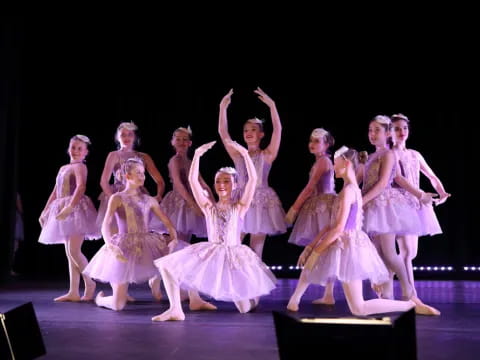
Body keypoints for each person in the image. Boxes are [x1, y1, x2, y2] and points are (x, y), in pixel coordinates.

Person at [287, 147, 439, 316]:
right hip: (341, 243)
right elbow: (331, 226)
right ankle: (295, 299)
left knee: (359, 308)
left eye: (335, 164)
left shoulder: (349, 192)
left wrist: (316, 251)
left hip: (349, 248)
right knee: (313, 266)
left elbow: (338, 228)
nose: (333, 168)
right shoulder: (347, 191)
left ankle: (409, 305)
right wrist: (311, 247)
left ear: (345, 163)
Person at [152, 140, 276, 321]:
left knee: (244, 309)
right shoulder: (208, 206)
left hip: (233, 256)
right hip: (211, 252)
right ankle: (175, 309)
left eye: (226, 181)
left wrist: (244, 154)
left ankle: (251, 300)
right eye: (218, 181)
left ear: (235, 184)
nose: (222, 184)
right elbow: (192, 180)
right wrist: (197, 155)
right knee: (166, 266)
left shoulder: (240, 206)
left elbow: (254, 179)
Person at [83, 158, 176, 311]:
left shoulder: (149, 200)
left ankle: (157, 282)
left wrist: (174, 238)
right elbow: (106, 224)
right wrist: (110, 245)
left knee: (172, 258)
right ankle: (102, 300)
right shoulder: (117, 198)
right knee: (118, 305)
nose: (143, 176)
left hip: (147, 242)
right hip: (124, 245)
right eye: (138, 173)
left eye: (143, 173)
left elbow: (168, 223)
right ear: (128, 176)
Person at [218, 87, 287, 259]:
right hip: (240, 200)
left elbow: (278, 130)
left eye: (253, 130)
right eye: (246, 130)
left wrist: (272, 106)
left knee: (256, 252)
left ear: (262, 134)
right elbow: (223, 134)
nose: (248, 133)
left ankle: (255, 284)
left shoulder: (267, 155)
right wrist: (222, 108)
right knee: (232, 245)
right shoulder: (238, 154)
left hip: (260, 203)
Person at [391, 113, 451, 297]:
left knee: (411, 254)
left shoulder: (415, 154)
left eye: (405, 128)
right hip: (399, 203)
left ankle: (385, 275)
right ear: (389, 133)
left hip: (416, 205)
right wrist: (420, 194)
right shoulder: (391, 154)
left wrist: (441, 191)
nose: (402, 132)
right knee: (407, 252)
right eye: (397, 129)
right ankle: (410, 295)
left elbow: (431, 175)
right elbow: (398, 179)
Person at [39, 135, 100, 302]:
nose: (75, 151)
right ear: (68, 148)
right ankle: (73, 291)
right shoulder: (63, 167)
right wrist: (45, 210)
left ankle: (90, 281)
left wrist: (70, 207)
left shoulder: (80, 167)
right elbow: (55, 191)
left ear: (85, 152)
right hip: (62, 207)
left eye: (80, 148)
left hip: (76, 209)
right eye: (73, 147)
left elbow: (81, 187)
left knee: (74, 250)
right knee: (69, 252)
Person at [285, 128, 337, 304]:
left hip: (323, 206)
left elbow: (309, 188)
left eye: (317, 141)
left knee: (316, 250)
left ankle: (296, 297)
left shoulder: (323, 161)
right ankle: (328, 294)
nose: (312, 144)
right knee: (323, 250)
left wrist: (294, 209)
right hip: (319, 205)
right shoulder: (320, 161)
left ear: (326, 144)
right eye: (311, 141)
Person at [97, 121, 165, 231]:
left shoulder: (144, 157)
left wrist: (158, 196)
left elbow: (160, 181)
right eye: (123, 135)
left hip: (138, 197)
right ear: (118, 138)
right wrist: (112, 199)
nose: (126, 137)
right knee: (117, 235)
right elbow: (103, 181)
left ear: (135, 137)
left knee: (138, 233)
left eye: (130, 134)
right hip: (118, 195)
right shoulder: (114, 155)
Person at [150, 126, 215, 243]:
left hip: (191, 200)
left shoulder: (191, 162)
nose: (181, 142)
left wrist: (214, 204)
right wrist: (193, 205)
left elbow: (203, 184)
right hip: (179, 202)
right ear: (172, 142)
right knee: (177, 239)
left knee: (184, 240)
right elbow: (178, 183)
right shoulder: (174, 160)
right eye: (178, 139)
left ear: (190, 143)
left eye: (185, 139)